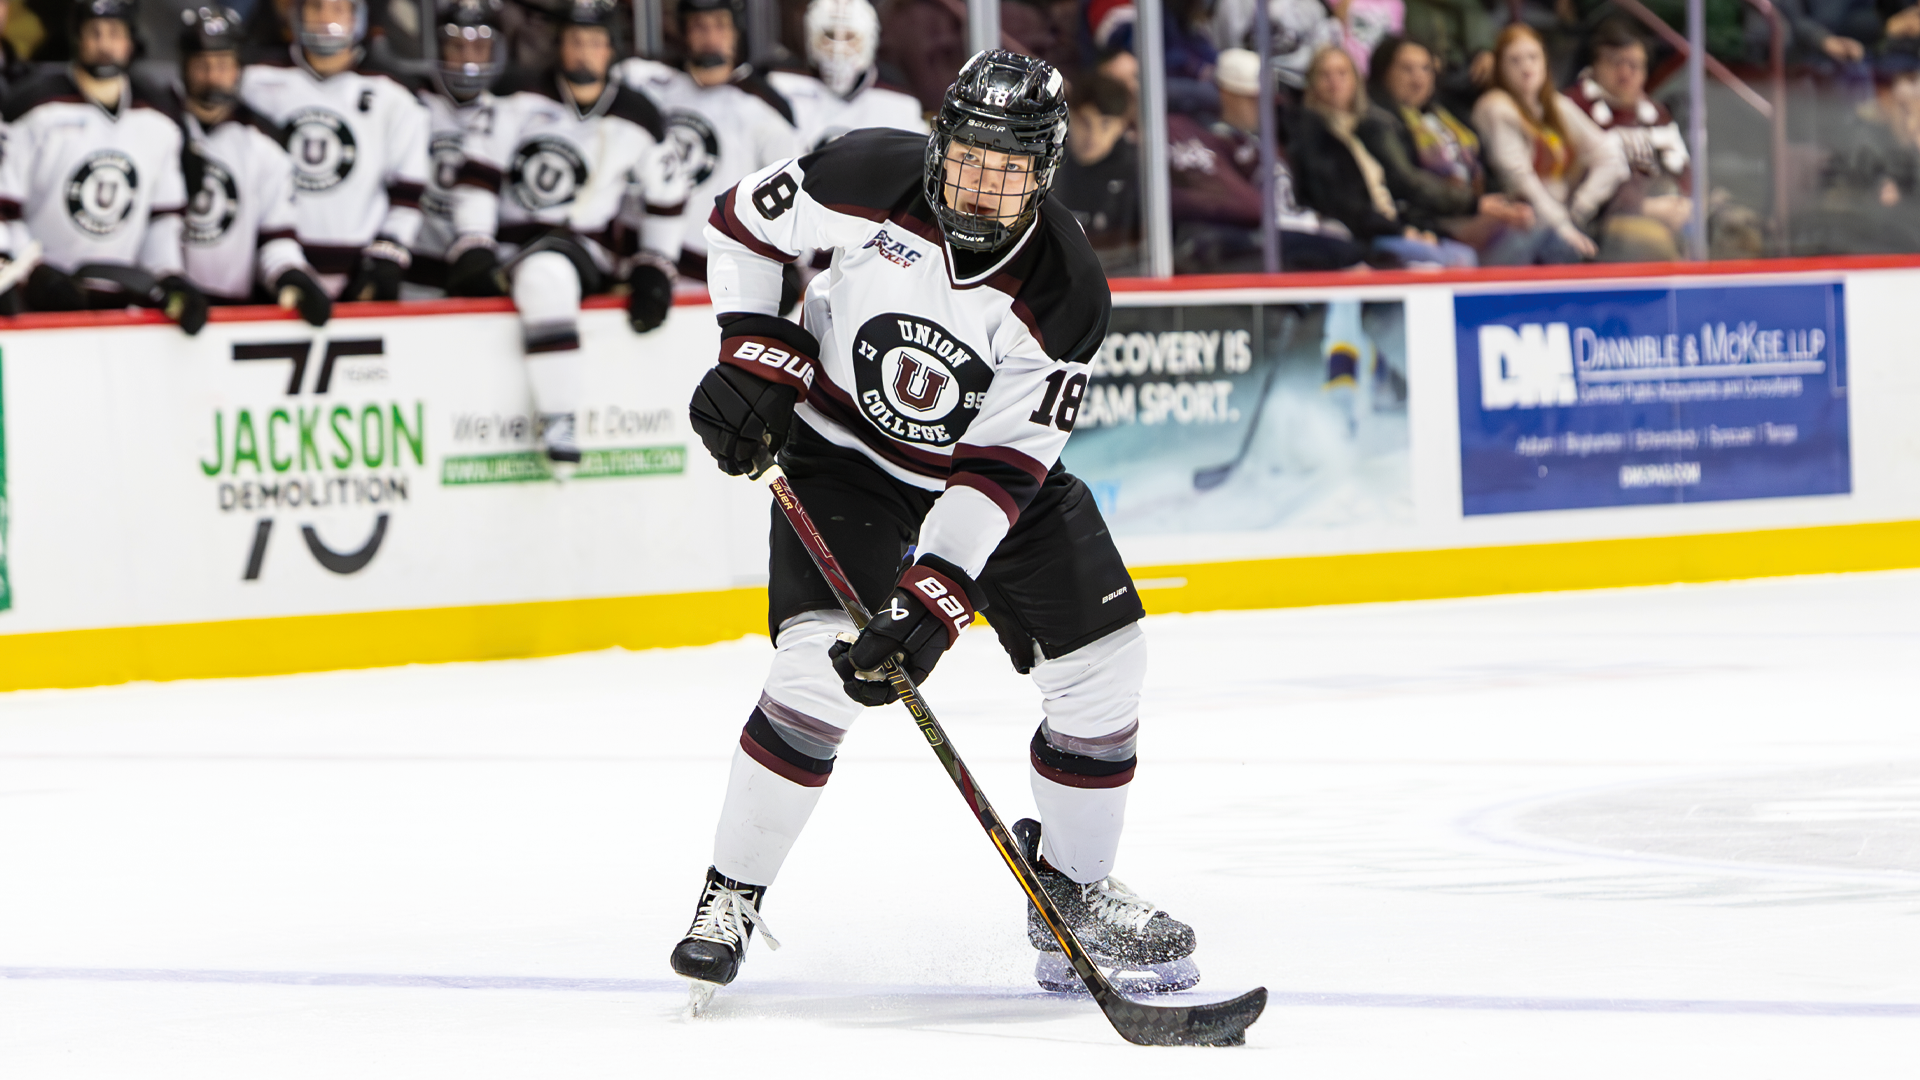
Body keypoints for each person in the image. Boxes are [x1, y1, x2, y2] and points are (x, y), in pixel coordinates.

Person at [670, 50, 1200, 1009]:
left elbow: (1002, 468)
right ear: (939, 142)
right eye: (966, 156)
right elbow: (743, 226)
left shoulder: (1066, 287)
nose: (980, 184)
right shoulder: (864, 172)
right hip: (844, 459)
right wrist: (759, 352)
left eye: (1007, 169)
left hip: (986, 481)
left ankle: (1071, 893)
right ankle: (731, 896)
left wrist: (937, 598)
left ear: (1043, 174)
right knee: (811, 673)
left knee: (1107, 660)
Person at [447, 0, 688, 471]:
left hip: (584, 254)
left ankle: (560, 423)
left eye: (594, 43)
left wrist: (655, 266)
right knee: (537, 273)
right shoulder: (516, 96)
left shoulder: (639, 115)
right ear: (559, 46)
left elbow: (668, 197)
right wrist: (473, 244)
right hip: (510, 250)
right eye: (575, 41)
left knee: (546, 277)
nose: (583, 52)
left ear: (611, 50)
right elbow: (478, 176)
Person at [0, 0, 208, 330]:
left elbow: (162, 220)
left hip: (125, 309)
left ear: (131, 40)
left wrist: (169, 276)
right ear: (76, 38)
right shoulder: (30, 108)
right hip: (38, 306)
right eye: (93, 33)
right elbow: (5, 213)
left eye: (114, 33)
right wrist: (32, 271)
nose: (104, 44)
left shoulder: (161, 118)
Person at [241, 0, 431, 300]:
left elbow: (407, 191)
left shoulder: (393, 93)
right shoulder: (254, 81)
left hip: (362, 279)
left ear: (358, 17)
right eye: (315, 7)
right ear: (297, 16)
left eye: (338, 8)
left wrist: (387, 253)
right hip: (271, 279)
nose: (325, 18)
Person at [616, 0, 800, 284]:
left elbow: (793, 194)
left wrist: (787, 260)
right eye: (700, 26)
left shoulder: (767, 106)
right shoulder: (647, 81)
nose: (711, 38)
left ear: (736, 33)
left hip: (726, 279)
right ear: (684, 32)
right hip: (640, 271)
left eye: (720, 26)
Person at [1358, 36, 1575, 264]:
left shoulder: (1443, 113)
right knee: (1541, 234)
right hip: (1434, 222)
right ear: (1383, 73)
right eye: (1406, 69)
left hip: (1473, 211)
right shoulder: (1378, 122)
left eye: (1425, 68)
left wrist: (1503, 203)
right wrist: (1475, 205)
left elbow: (1484, 164)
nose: (1418, 77)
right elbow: (1407, 182)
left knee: (1538, 225)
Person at [176, 5, 331, 323]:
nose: (212, 76)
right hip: (158, 311)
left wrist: (290, 274)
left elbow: (277, 238)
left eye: (222, 65)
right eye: (201, 65)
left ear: (239, 69)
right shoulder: (159, 126)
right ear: (184, 68)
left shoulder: (264, 142)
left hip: (233, 316)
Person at [1292, 45, 1477, 266]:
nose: (1335, 82)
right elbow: (1344, 206)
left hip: (1391, 225)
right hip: (1362, 238)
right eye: (1325, 75)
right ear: (1312, 85)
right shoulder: (1312, 136)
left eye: (1342, 73)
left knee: (1464, 252)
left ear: (1356, 81)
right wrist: (1401, 232)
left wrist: (1418, 229)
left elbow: (1396, 189)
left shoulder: (1365, 129)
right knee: (1460, 260)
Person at [1471, 24, 1627, 261]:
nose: (1526, 68)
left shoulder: (1554, 105)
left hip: (1560, 217)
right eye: (1515, 61)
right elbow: (1519, 178)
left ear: (1545, 61)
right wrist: (1563, 224)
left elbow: (1610, 153)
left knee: (1632, 237)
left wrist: (1581, 206)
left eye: (1533, 57)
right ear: (1500, 68)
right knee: (1572, 249)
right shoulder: (1495, 107)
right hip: (1518, 221)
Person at [1563, 20, 1692, 260]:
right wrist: (1644, 208)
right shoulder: (1571, 108)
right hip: (1603, 224)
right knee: (1658, 244)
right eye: (1615, 62)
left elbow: (1682, 169)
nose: (1625, 73)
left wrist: (1684, 202)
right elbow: (1574, 182)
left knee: (1734, 225)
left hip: (1666, 209)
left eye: (1634, 65)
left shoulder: (1656, 113)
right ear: (1594, 65)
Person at [411, 0, 509, 292]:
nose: (468, 61)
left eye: (479, 48)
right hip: (414, 274)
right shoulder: (411, 105)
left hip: (482, 272)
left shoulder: (511, 114)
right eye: (456, 47)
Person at [766, 0, 925, 151]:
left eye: (850, 38)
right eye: (828, 36)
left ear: (870, 41)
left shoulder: (900, 102)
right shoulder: (781, 86)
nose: (838, 50)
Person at [1056, 72, 1141, 265]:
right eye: (1085, 123)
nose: (1093, 137)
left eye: (1105, 125)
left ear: (1121, 127)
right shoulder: (1041, 167)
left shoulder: (1137, 174)